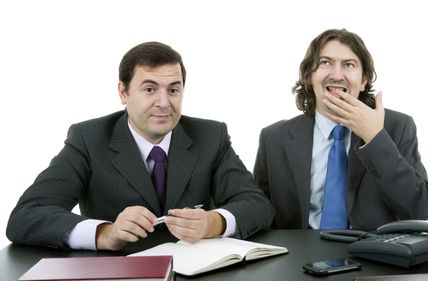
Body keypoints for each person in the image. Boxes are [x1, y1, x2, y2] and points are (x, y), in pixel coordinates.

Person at [7, 41, 274, 250]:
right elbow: (27, 216)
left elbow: (257, 204)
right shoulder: (88, 138)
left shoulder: (210, 135)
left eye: (173, 89)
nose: (163, 102)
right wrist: (105, 233)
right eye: (149, 89)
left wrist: (213, 223)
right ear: (123, 93)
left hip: (200, 277)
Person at [253, 29, 428, 230]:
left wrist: (375, 138)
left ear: (364, 80)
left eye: (349, 65)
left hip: (373, 256)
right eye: (325, 63)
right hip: (299, 255)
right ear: (310, 77)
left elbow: (420, 210)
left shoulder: (398, 127)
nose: (337, 75)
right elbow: (259, 214)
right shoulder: (274, 138)